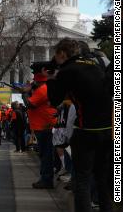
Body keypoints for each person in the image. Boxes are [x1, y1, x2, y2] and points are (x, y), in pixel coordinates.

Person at [47, 39, 113, 212]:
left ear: (62, 53)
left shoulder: (68, 71)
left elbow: (54, 100)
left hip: (86, 131)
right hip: (106, 130)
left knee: (82, 180)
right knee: (102, 179)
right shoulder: (94, 64)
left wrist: (51, 80)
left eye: (56, 55)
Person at [21, 65, 57, 189]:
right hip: (43, 125)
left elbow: (29, 104)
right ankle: (45, 178)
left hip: (44, 126)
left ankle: (46, 179)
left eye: (34, 81)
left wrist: (25, 93)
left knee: (46, 154)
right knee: (45, 154)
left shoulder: (43, 90)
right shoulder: (43, 88)